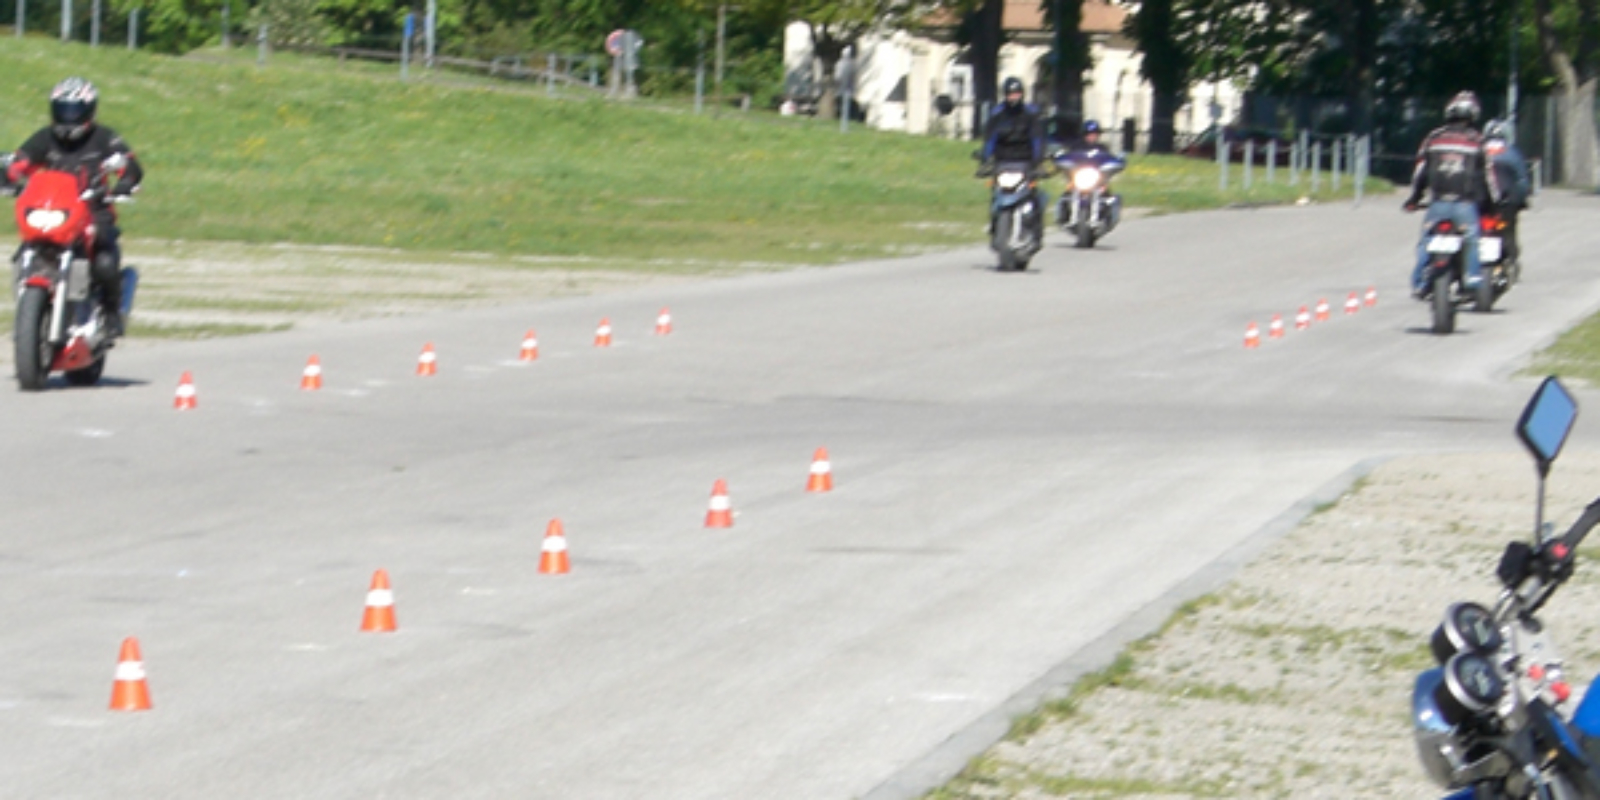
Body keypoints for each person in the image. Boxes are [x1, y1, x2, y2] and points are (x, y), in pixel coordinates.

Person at [6, 77, 143, 336]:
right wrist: (9, 174)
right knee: (23, 252)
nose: (68, 117)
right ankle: (31, 314)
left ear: (89, 110)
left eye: (74, 111)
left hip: (94, 212)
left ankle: (112, 313)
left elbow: (129, 165)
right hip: (53, 211)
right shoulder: (44, 137)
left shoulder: (104, 138)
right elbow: (21, 161)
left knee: (104, 262)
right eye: (62, 109)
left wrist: (125, 181)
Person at [1403, 90, 1497, 300]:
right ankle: (1472, 279)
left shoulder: (1433, 138)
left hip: (1437, 203)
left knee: (1426, 242)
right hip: (1465, 204)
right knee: (1472, 239)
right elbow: (1489, 177)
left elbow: (1420, 172)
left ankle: (1420, 282)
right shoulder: (1477, 141)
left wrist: (1413, 199)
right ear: (1473, 115)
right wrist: (1492, 204)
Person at [979, 77, 1046, 238]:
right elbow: (989, 139)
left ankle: (1035, 227)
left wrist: (1038, 162)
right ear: (1005, 95)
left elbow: (1037, 139)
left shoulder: (1031, 113)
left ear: (1022, 94)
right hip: (1003, 163)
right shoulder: (997, 114)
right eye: (1010, 94)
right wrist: (985, 160)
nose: (1013, 97)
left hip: (1025, 162)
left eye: (1016, 93)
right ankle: (995, 223)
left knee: (1033, 194)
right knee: (996, 194)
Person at [1482, 118, 1532, 267]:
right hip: (1507, 202)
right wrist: (1522, 199)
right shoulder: (1512, 152)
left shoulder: (1478, 148)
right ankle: (1511, 259)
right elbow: (1522, 179)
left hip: (1481, 200)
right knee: (1508, 230)